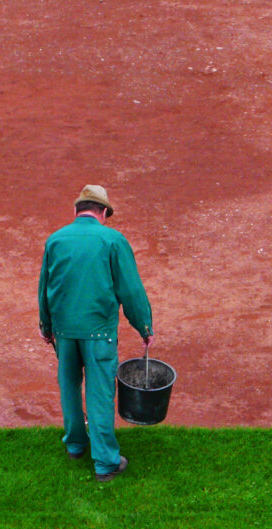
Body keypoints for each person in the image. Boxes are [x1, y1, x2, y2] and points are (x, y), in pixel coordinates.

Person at [38, 185, 155, 482]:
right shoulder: (113, 240)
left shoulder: (56, 240)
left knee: (69, 388)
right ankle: (105, 462)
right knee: (100, 395)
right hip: (99, 335)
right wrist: (144, 326)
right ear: (103, 212)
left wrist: (47, 327)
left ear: (76, 211)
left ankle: (76, 445)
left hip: (64, 332)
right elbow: (130, 289)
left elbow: (44, 289)